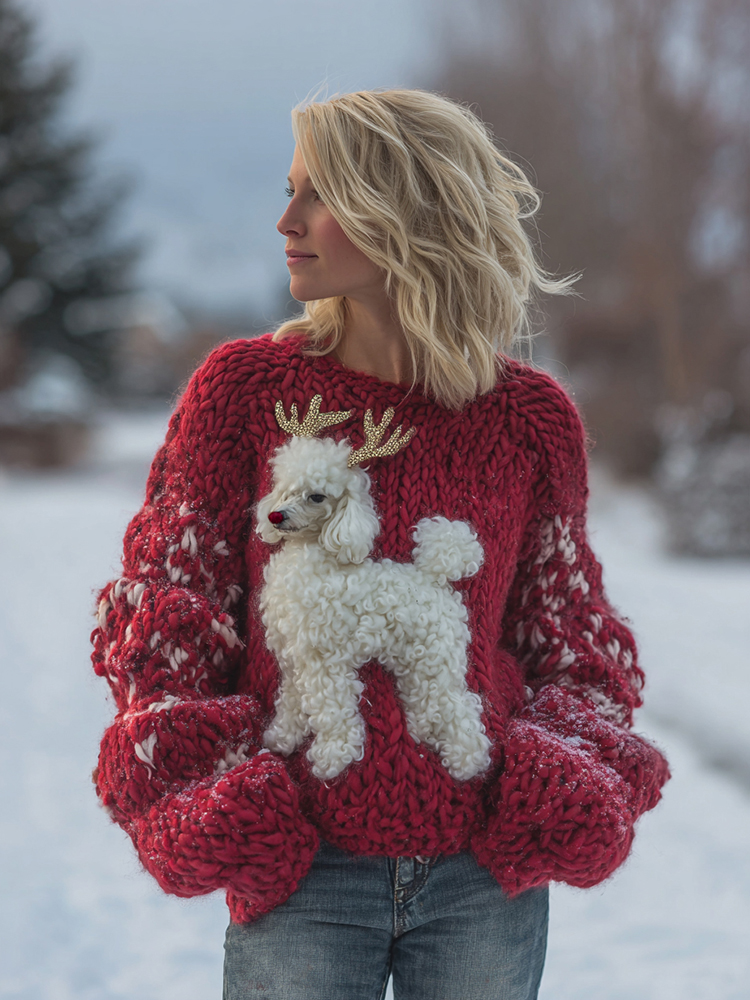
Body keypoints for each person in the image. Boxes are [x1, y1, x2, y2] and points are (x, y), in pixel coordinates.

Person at [91, 89, 670, 1000]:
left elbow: (569, 635)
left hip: (481, 882)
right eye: (289, 191)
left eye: (318, 194)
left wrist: (543, 782)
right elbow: (166, 615)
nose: (286, 221)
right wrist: (239, 797)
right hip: (302, 871)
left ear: (405, 211)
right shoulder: (240, 393)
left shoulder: (530, 421)